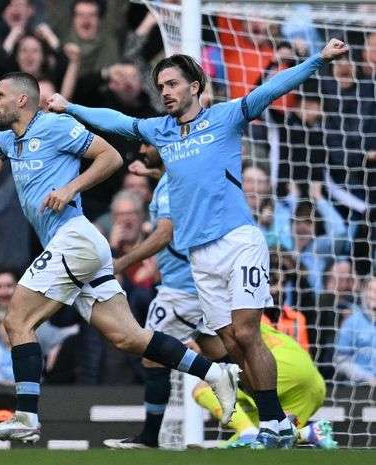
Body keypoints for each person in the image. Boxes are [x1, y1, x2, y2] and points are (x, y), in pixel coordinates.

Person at [47, 38, 350, 448]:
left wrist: (318, 59)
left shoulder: (225, 118)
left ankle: (275, 423)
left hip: (238, 241)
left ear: (195, 86)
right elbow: (116, 120)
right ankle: (279, 424)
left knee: (245, 332)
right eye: (162, 86)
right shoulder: (162, 131)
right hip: (200, 258)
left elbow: (272, 88)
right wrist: (71, 108)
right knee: (228, 343)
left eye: (173, 83)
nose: (166, 92)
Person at [0, 54, 239, 443]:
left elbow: (111, 156)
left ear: (22, 100)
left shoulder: (53, 126)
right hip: (79, 246)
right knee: (129, 338)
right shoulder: (10, 142)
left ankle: (27, 417)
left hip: (75, 239)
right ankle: (215, 372)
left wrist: (70, 189)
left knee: (17, 321)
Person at [104, 162, 228, 450]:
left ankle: (150, 436)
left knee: (151, 353)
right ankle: (273, 416)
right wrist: (152, 174)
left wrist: (121, 262)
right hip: (197, 285)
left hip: (180, 290)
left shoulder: (171, 190)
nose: (143, 149)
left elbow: (164, 235)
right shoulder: (175, 180)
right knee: (219, 350)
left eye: (148, 145)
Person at [194, 322, 336, 449]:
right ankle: (309, 433)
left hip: (279, 365)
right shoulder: (245, 318)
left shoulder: (213, 322)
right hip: (312, 382)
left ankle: (246, 432)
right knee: (268, 437)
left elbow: (213, 349)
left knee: (203, 387)